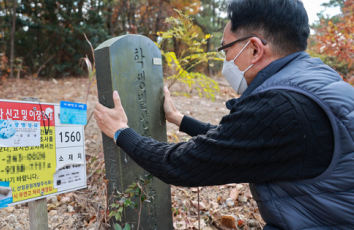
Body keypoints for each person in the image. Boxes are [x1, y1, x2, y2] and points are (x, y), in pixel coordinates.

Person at [94, 0, 354, 229]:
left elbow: (181, 165)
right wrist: (179, 119)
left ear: (254, 49)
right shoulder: (312, 78)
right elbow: (242, 144)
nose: (225, 61)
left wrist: (121, 131)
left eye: (226, 49)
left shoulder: (280, 107)